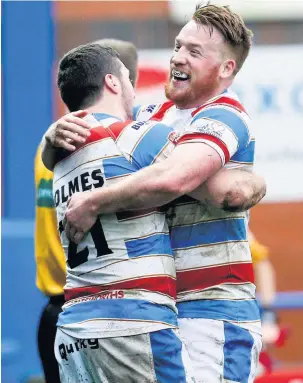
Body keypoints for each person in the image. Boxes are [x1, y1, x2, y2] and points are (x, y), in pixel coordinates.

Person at [45, 4, 265, 382]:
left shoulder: (225, 115)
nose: (178, 57)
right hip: (158, 311)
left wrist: (94, 201)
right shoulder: (149, 117)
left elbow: (175, 178)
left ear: (226, 69)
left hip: (212, 312)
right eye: (179, 46)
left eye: (194, 52)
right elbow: (100, 151)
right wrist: (53, 141)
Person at [48, 42, 207, 383]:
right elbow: (215, 184)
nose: (133, 91)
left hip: (74, 331)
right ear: (113, 82)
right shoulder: (135, 137)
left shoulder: (58, 159)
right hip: (133, 323)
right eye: (128, 80)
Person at [34, 38, 138, 383]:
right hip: (112, 309)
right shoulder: (129, 146)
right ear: (119, 82)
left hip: (62, 314)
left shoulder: (49, 146)